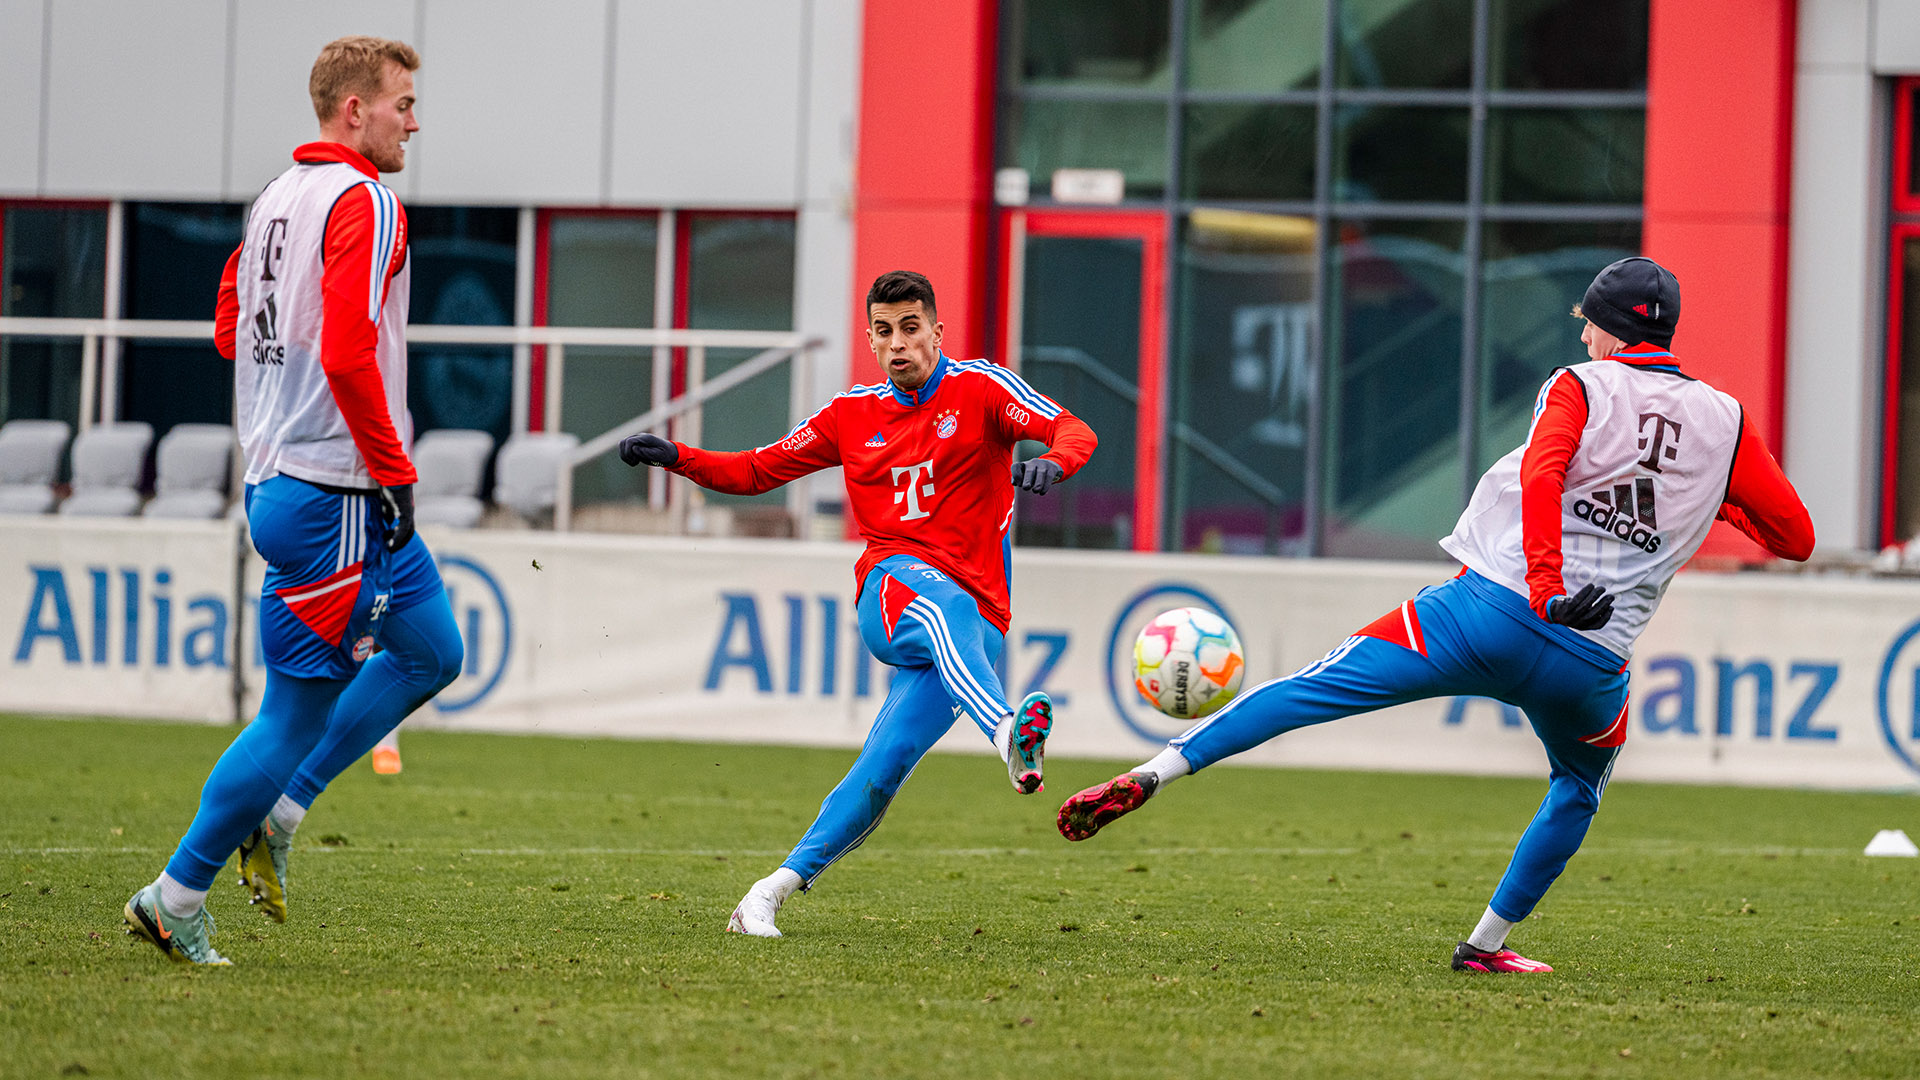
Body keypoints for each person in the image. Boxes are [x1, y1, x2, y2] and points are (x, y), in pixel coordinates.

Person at [1057, 257, 1815, 973]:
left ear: (1615, 331)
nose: (1584, 333)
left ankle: (1154, 772)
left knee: (1308, 689)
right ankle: (1487, 943)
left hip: (1483, 613)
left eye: (1590, 322)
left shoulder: (1581, 384)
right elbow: (1796, 538)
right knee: (1577, 790)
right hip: (1591, 662)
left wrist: (1546, 583)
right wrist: (1706, 501)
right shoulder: (1727, 421)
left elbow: (1546, 472)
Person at [621, 270, 1098, 937]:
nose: (898, 344)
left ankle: (767, 892)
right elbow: (758, 470)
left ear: (937, 329)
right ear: (870, 340)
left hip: (981, 625)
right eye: (883, 331)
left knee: (884, 767)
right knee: (942, 604)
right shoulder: (850, 415)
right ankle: (1005, 734)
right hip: (893, 592)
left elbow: (1071, 429)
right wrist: (679, 456)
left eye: (910, 327)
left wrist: (1057, 463)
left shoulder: (983, 390)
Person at [122, 36, 464, 965]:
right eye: (402, 102)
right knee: (290, 715)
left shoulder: (274, 199)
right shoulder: (368, 200)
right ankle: (175, 892)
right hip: (337, 491)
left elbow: (231, 329)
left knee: (435, 651)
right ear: (355, 110)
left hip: (290, 479)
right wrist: (392, 469)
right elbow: (349, 352)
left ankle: (281, 805)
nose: (413, 119)